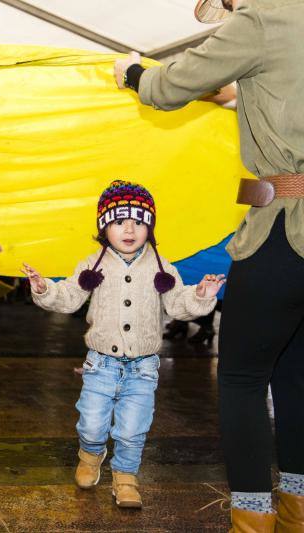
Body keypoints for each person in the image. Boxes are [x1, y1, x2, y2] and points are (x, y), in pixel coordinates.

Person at [114, 0, 304, 529]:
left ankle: (254, 517)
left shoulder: (261, 19)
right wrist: (238, 93)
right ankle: (297, 514)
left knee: (243, 377)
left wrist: (131, 71)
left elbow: (165, 87)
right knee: (296, 375)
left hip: (287, 229)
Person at [23, 180, 223, 509]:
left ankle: (126, 477)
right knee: (91, 423)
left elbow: (177, 304)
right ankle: (90, 454)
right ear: (104, 228)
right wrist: (44, 288)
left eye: (138, 222)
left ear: (150, 227)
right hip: (100, 364)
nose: (129, 229)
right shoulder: (93, 264)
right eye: (119, 222)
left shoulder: (162, 267)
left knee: (133, 428)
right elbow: (69, 297)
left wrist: (200, 296)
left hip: (143, 368)